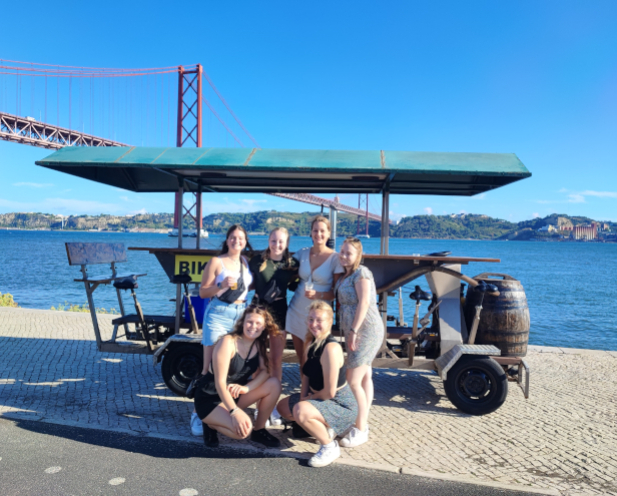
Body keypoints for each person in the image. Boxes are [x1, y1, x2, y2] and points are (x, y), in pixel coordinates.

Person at [189, 225, 254, 437]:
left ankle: (219, 409)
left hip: (239, 315)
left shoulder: (244, 262)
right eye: (233, 238)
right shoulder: (217, 262)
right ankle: (197, 412)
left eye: (241, 238)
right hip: (218, 315)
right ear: (227, 240)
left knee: (228, 368)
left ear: (245, 241)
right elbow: (202, 291)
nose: (237, 241)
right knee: (209, 368)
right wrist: (221, 285)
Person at [277, 301, 358, 468]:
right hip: (318, 399)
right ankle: (324, 425)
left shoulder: (331, 348)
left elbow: (329, 393)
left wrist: (307, 401)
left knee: (300, 411)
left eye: (319, 320)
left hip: (340, 404)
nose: (314, 324)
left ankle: (329, 446)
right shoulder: (311, 342)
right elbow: (306, 375)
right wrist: (302, 396)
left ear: (329, 322)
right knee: (283, 407)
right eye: (311, 319)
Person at [194, 305, 282, 449]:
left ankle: (259, 430)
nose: (253, 326)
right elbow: (220, 383)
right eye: (250, 322)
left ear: (264, 326)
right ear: (242, 322)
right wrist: (234, 412)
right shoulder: (228, 342)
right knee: (242, 432)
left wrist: (247, 388)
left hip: (234, 394)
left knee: (274, 384)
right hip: (210, 399)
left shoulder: (258, 344)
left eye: (258, 323)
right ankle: (210, 424)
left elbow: (265, 371)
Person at [335, 237, 384, 448]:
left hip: (366, 330)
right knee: (365, 376)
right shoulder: (347, 274)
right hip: (355, 330)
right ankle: (361, 419)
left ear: (358, 255)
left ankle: (361, 428)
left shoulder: (361, 273)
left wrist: (354, 330)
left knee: (352, 379)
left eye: (349, 253)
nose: (344, 255)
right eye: (342, 252)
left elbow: (364, 302)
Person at [249, 228, 299, 425]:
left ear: (286, 244)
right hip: (260, 311)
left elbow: (297, 284)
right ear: (268, 240)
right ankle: (257, 404)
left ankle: (272, 405)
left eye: (281, 242)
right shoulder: (257, 260)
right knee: (258, 360)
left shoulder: (291, 264)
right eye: (273, 240)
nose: (276, 245)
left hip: (279, 311)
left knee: (276, 360)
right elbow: (248, 281)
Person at [285, 216, 343, 365]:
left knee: (317, 359)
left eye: (322, 231)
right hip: (296, 311)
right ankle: (304, 388)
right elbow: (283, 266)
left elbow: (336, 294)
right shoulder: (302, 253)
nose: (319, 234)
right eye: (315, 230)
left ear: (329, 233)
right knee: (302, 360)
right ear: (311, 233)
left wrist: (318, 295)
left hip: (319, 316)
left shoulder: (335, 258)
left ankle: (318, 388)